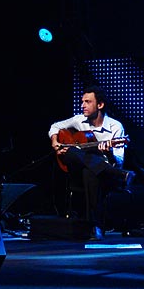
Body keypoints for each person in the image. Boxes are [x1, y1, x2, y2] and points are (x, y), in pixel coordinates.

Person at [49, 85, 135, 241]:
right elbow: (55, 126)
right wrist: (55, 142)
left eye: (88, 102)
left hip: (105, 175)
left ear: (100, 105)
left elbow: (119, 160)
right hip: (76, 172)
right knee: (72, 151)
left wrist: (107, 152)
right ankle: (122, 176)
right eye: (82, 102)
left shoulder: (115, 127)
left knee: (90, 171)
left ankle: (94, 227)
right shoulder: (78, 120)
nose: (83, 105)